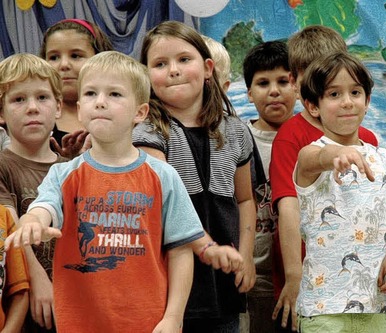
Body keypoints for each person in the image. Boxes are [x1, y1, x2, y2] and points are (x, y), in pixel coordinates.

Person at [4, 50, 241, 332]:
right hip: (79, 322)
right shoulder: (64, 173)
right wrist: (33, 221)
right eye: (91, 94)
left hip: (147, 322)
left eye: (114, 94)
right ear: (79, 109)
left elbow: (180, 250)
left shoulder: (162, 175)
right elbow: (44, 207)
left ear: (140, 112)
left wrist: (174, 317)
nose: (100, 102)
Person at [133, 21, 256, 332]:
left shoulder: (237, 130)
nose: (173, 70)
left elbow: (244, 199)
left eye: (184, 60)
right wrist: (207, 247)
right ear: (146, 75)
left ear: (207, 68)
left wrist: (246, 255)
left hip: (223, 283)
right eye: (160, 64)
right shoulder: (146, 131)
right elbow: (167, 203)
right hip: (169, 284)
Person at [270, 25, 380, 332]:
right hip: (310, 277)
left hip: (356, 285)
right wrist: (294, 275)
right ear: (296, 82)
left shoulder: (369, 140)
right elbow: (288, 206)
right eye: (317, 79)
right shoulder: (291, 137)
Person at [294, 52, 386, 332]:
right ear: (313, 106)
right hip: (323, 308)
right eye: (333, 94)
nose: (347, 101)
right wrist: (339, 153)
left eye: (355, 92)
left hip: (376, 305)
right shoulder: (311, 154)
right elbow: (317, 158)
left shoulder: (384, 158)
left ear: (367, 100)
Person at [0, 53, 68, 333]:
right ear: (1, 113)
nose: (32, 108)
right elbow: (11, 229)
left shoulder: (72, 169)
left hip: (69, 300)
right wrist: (38, 279)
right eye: (19, 100)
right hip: (23, 302)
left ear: (59, 107)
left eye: (42, 98)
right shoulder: (3, 166)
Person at [241, 41, 297, 333]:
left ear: (298, 86)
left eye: (283, 81)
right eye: (263, 83)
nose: (274, 91)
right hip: (255, 279)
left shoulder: (311, 140)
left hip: (300, 277)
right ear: (249, 93)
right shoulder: (238, 140)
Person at [39, 18, 113, 158]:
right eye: (54, 57)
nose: (64, 64)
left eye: (75, 56)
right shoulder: (36, 116)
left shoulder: (117, 112)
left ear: (99, 59)